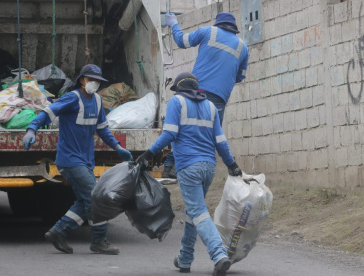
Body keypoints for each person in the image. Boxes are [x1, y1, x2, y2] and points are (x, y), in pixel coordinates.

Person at [136, 72, 242, 276]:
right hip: (208, 167)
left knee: (198, 212)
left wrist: (149, 154)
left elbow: (169, 134)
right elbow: (220, 141)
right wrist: (232, 164)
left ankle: (219, 255)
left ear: (179, 89)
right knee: (193, 212)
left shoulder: (177, 102)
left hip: (188, 167)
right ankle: (184, 259)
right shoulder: (210, 106)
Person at [22, 64, 133, 255]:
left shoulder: (98, 101)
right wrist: (32, 129)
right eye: (90, 79)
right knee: (96, 197)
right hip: (70, 160)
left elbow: (103, 129)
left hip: (86, 160)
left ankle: (58, 232)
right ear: (82, 80)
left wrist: (117, 147)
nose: (94, 84)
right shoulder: (72, 98)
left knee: (85, 200)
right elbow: (48, 112)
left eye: (97, 81)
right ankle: (99, 240)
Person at [162, 12, 249, 178]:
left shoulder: (208, 32)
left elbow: (181, 41)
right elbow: (240, 76)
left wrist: (173, 24)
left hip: (196, 91)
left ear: (218, 24)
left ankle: (170, 168)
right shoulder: (243, 47)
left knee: (183, 128)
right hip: (219, 98)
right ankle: (202, 173)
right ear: (234, 29)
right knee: (211, 135)